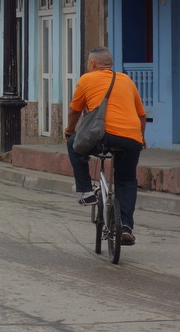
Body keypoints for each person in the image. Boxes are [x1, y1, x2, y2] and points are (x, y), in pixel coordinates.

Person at [65, 46, 146, 246]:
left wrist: (69, 131)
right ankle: (126, 226)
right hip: (131, 137)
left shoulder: (87, 79)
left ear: (92, 64)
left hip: (102, 136)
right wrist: (141, 139)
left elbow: (74, 111)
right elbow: (141, 115)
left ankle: (86, 192)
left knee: (73, 144)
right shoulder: (126, 80)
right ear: (111, 64)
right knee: (126, 180)